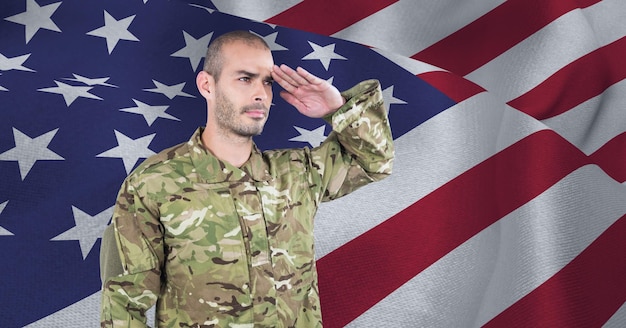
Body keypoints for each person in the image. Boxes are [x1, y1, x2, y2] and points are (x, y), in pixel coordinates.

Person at [100, 30, 394, 328]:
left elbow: (374, 161)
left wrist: (339, 109)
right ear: (207, 85)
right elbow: (123, 304)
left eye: (267, 81)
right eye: (245, 78)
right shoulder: (152, 184)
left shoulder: (296, 173)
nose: (260, 93)